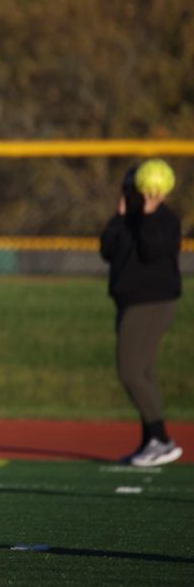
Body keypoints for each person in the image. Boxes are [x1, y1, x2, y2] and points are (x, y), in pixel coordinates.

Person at [99, 164, 183, 467]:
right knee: (143, 373)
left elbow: (151, 250)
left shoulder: (165, 219)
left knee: (130, 372)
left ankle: (162, 439)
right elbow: (107, 250)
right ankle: (150, 441)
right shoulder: (128, 221)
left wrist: (148, 212)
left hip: (152, 303)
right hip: (131, 303)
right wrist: (121, 216)